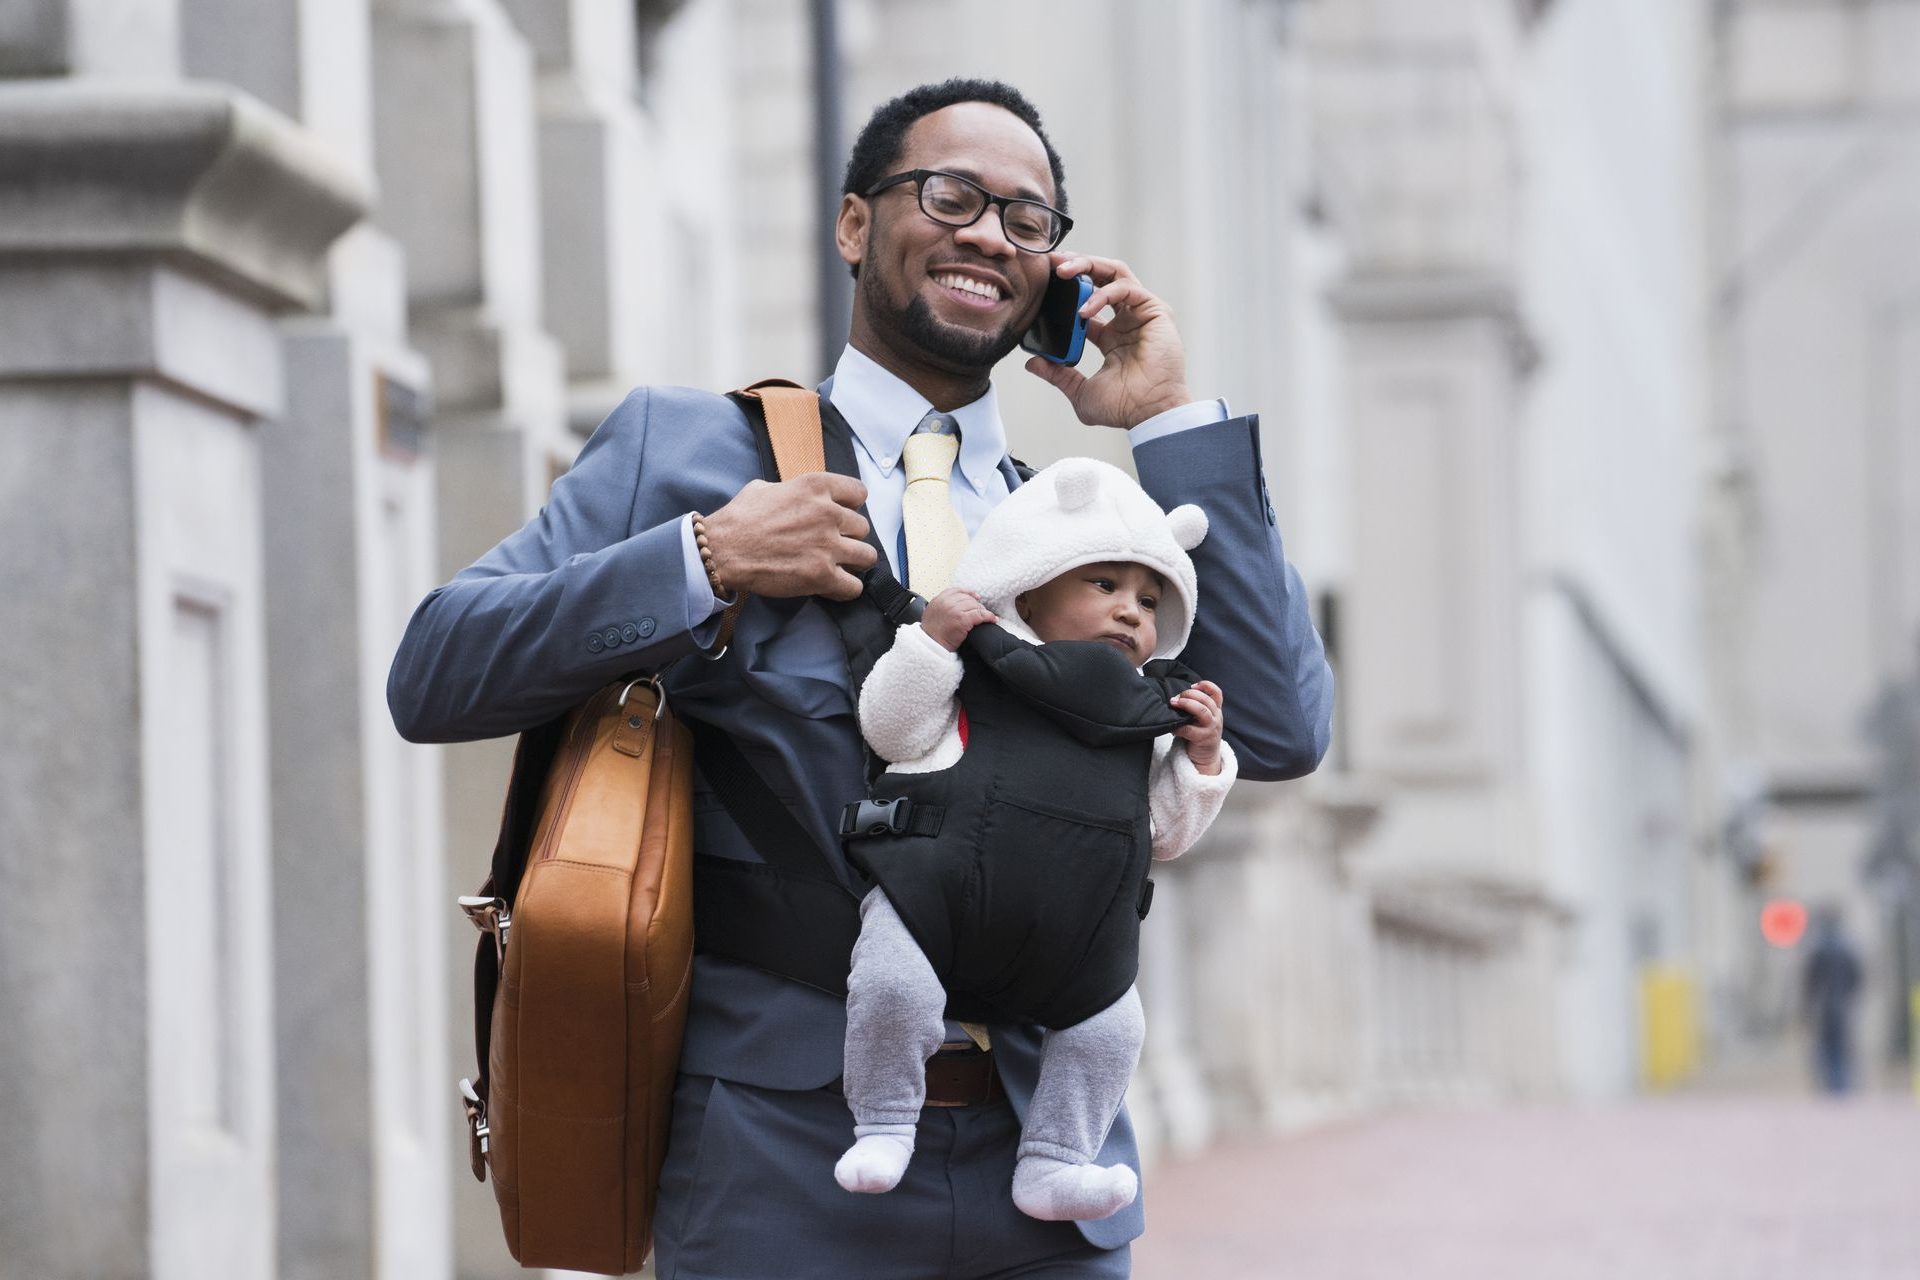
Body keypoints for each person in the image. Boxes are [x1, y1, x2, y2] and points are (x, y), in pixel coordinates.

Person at [389, 77, 1333, 1280]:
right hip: (777, 1167)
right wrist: (707, 556)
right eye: (950, 195)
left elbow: (1282, 725)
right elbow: (435, 670)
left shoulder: (1085, 529)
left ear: (1051, 275)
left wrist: (1168, 420)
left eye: (1027, 220)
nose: (989, 232)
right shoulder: (689, 452)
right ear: (853, 225)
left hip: (1051, 1167)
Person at [836, 459, 1235, 1224]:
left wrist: (1203, 759)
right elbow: (890, 730)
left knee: (1114, 1029)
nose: (1130, 612)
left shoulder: (1151, 712)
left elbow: (1168, 836)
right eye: (1104, 586)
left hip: (1076, 941)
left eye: (1150, 600)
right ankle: (884, 1122)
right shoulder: (975, 667)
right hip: (939, 901)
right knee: (889, 986)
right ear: (1030, 582)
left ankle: (1057, 1158)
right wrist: (927, 645)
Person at [1801, 907, 1863, 1095]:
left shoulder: (1817, 949)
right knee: (1843, 1048)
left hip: (1823, 1007)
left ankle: (1831, 1087)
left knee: (1826, 1049)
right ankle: (1842, 1087)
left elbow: (1810, 982)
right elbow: (1858, 977)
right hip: (1842, 1005)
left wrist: (1806, 1007)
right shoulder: (1848, 948)